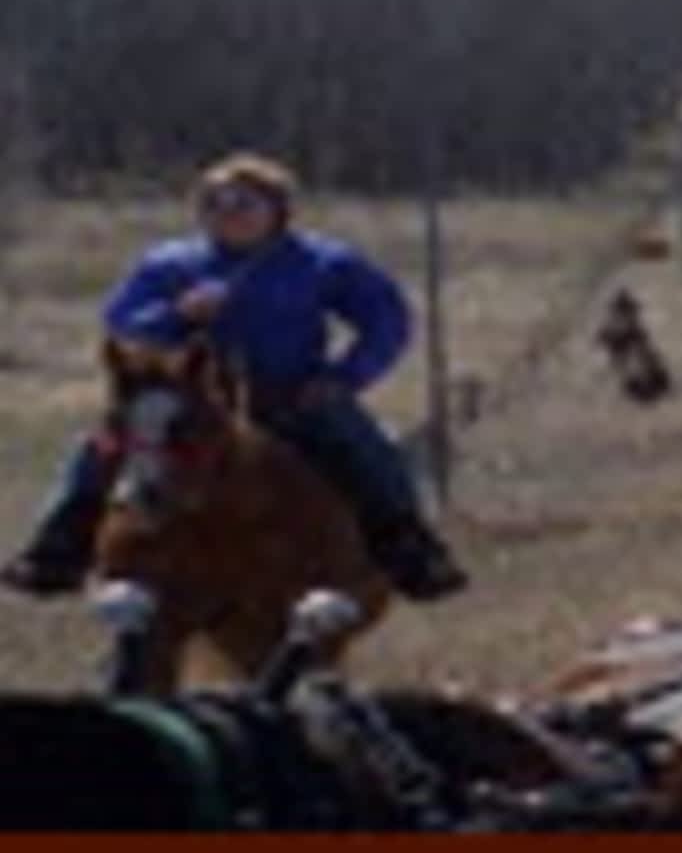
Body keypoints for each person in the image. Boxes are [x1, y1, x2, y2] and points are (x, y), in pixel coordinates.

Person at [0, 153, 467, 602]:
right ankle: (58, 550)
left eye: (244, 203)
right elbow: (123, 320)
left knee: (364, 445)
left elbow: (387, 320)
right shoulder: (172, 264)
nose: (228, 215)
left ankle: (410, 549)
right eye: (214, 204)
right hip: (190, 398)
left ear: (277, 210)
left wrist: (344, 377)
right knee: (98, 448)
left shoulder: (323, 262)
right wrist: (176, 314)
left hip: (292, 392)